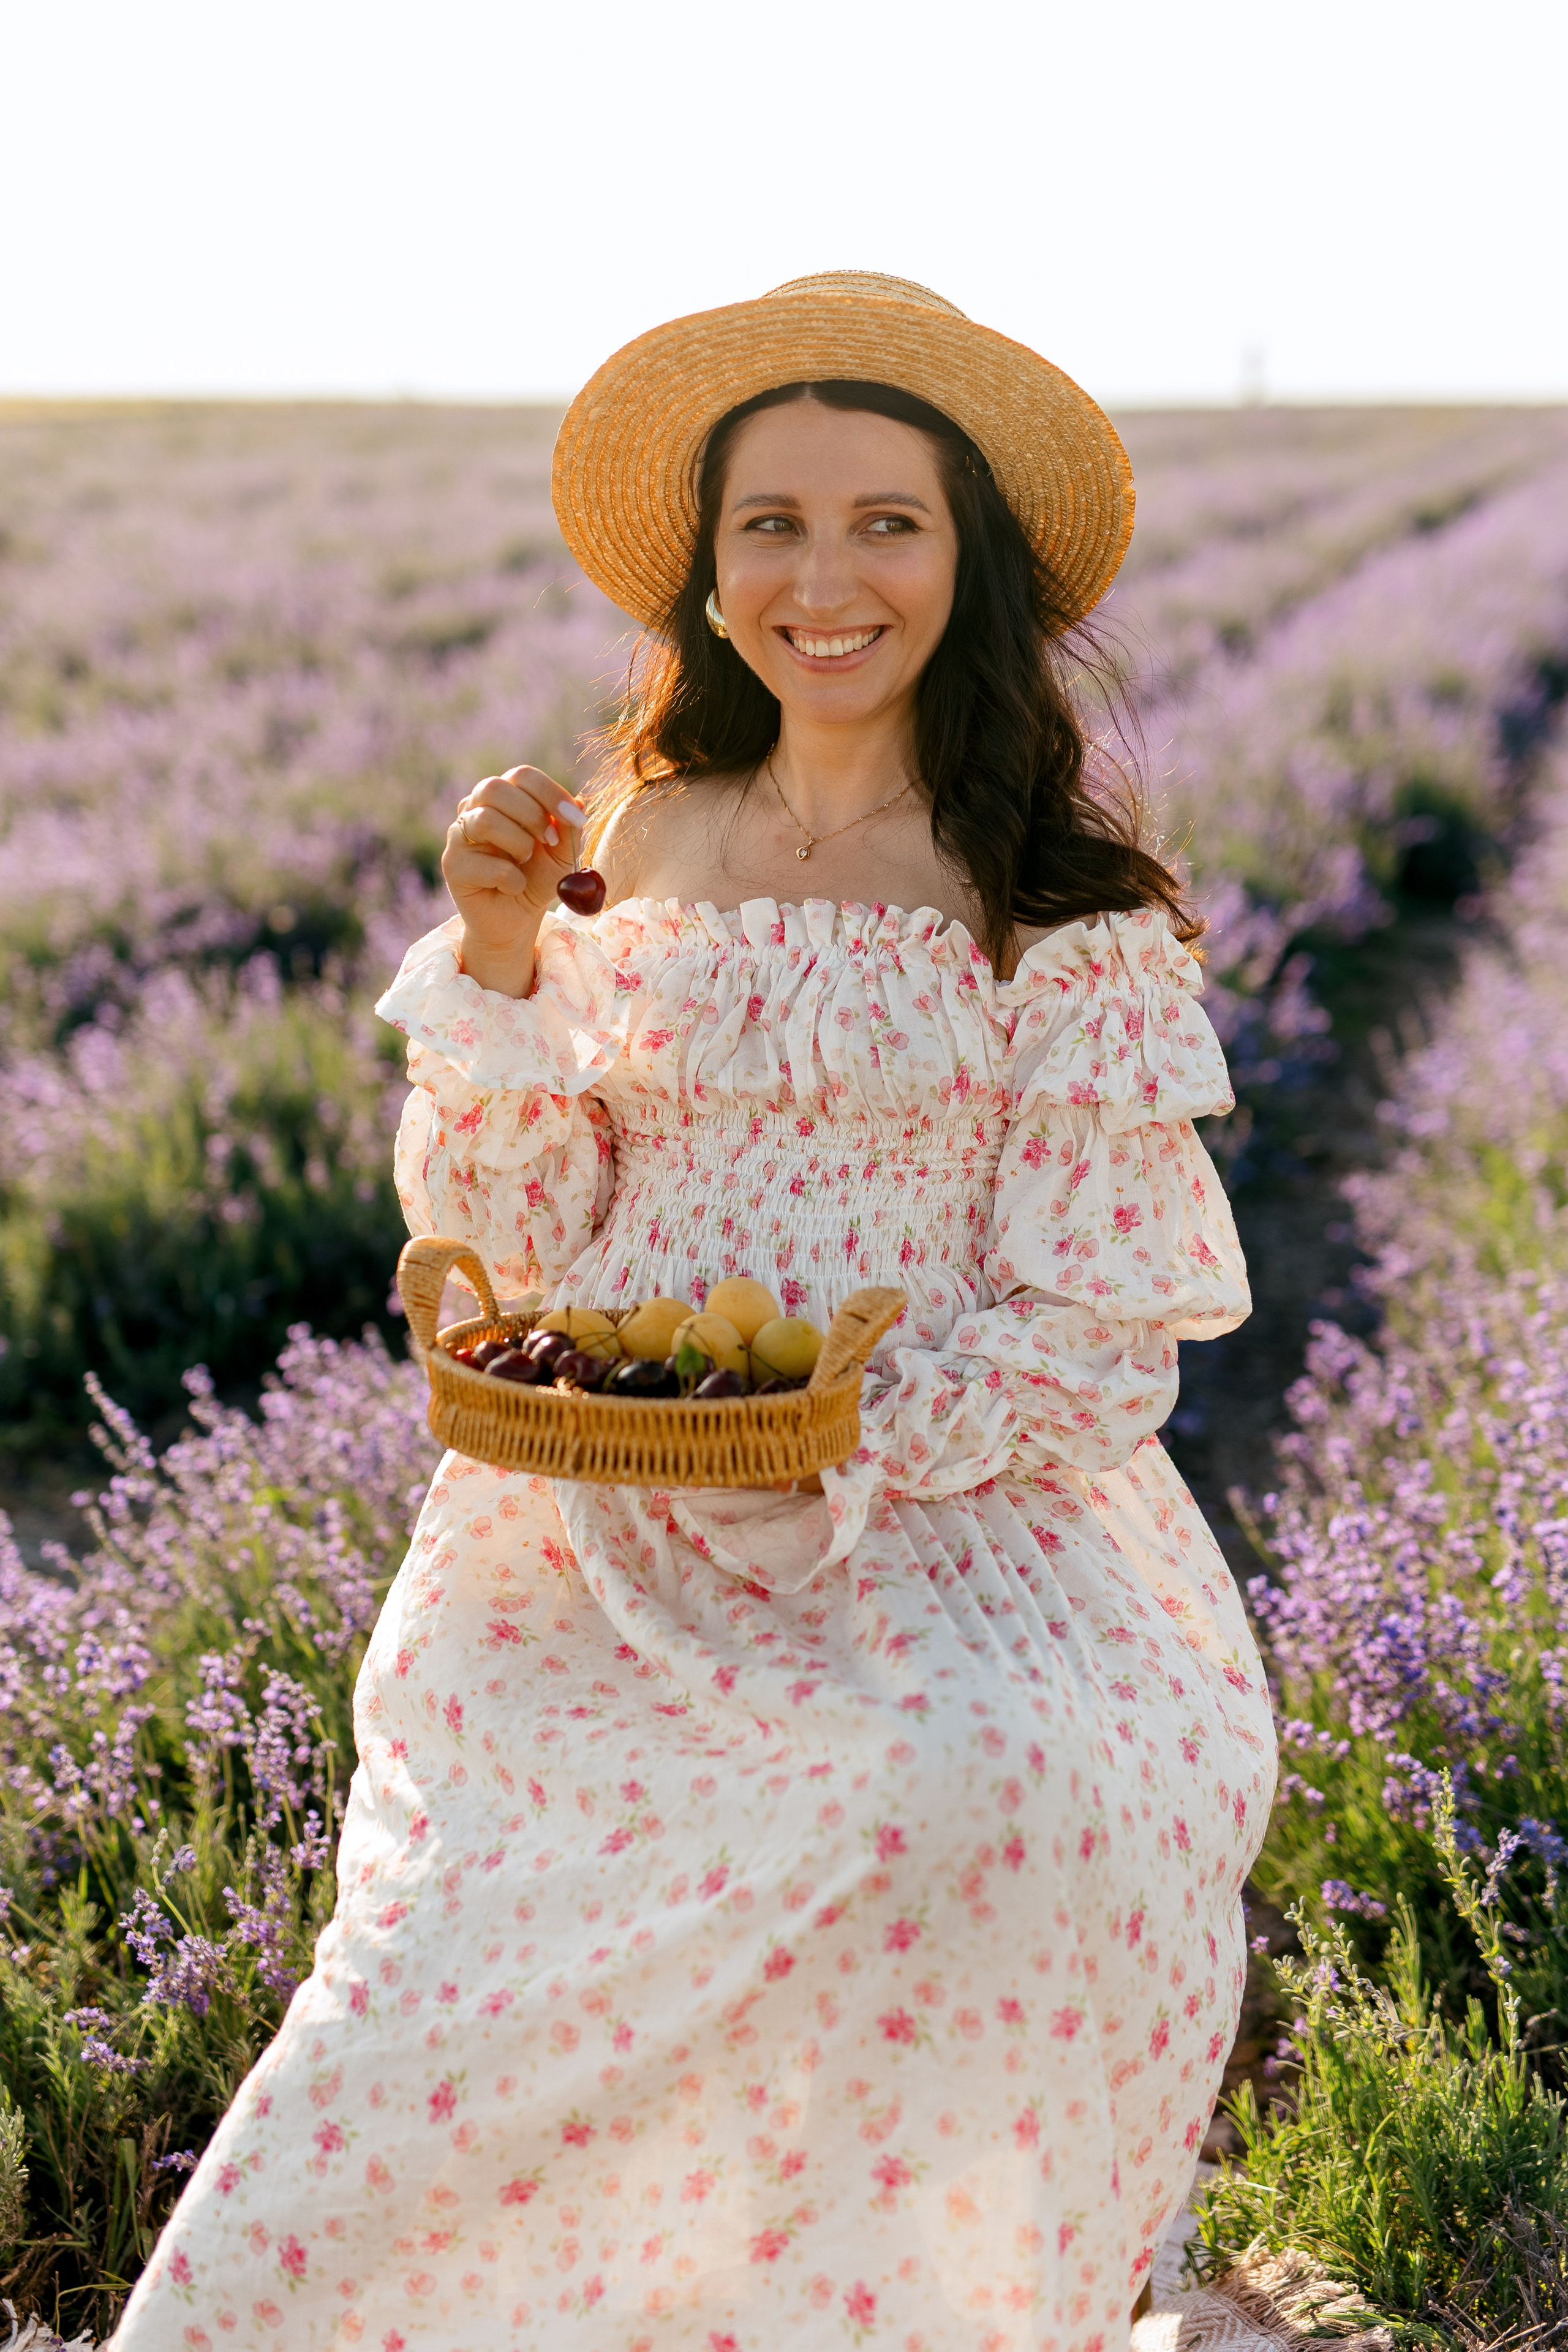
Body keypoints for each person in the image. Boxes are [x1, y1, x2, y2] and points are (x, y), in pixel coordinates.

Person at [115, 272, 1275, 2352]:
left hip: (949, 1508)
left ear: (970, 564)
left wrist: (843, 1428)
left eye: (886, 522)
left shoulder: (1055, 902)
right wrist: (493, 965)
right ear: (710, 569)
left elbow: (1103, 1331)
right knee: (445, 2003)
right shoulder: (635, 835)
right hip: (596, 1516)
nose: (823, 577)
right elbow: (529, 1226)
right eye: (772, 525)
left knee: (946, 1793)